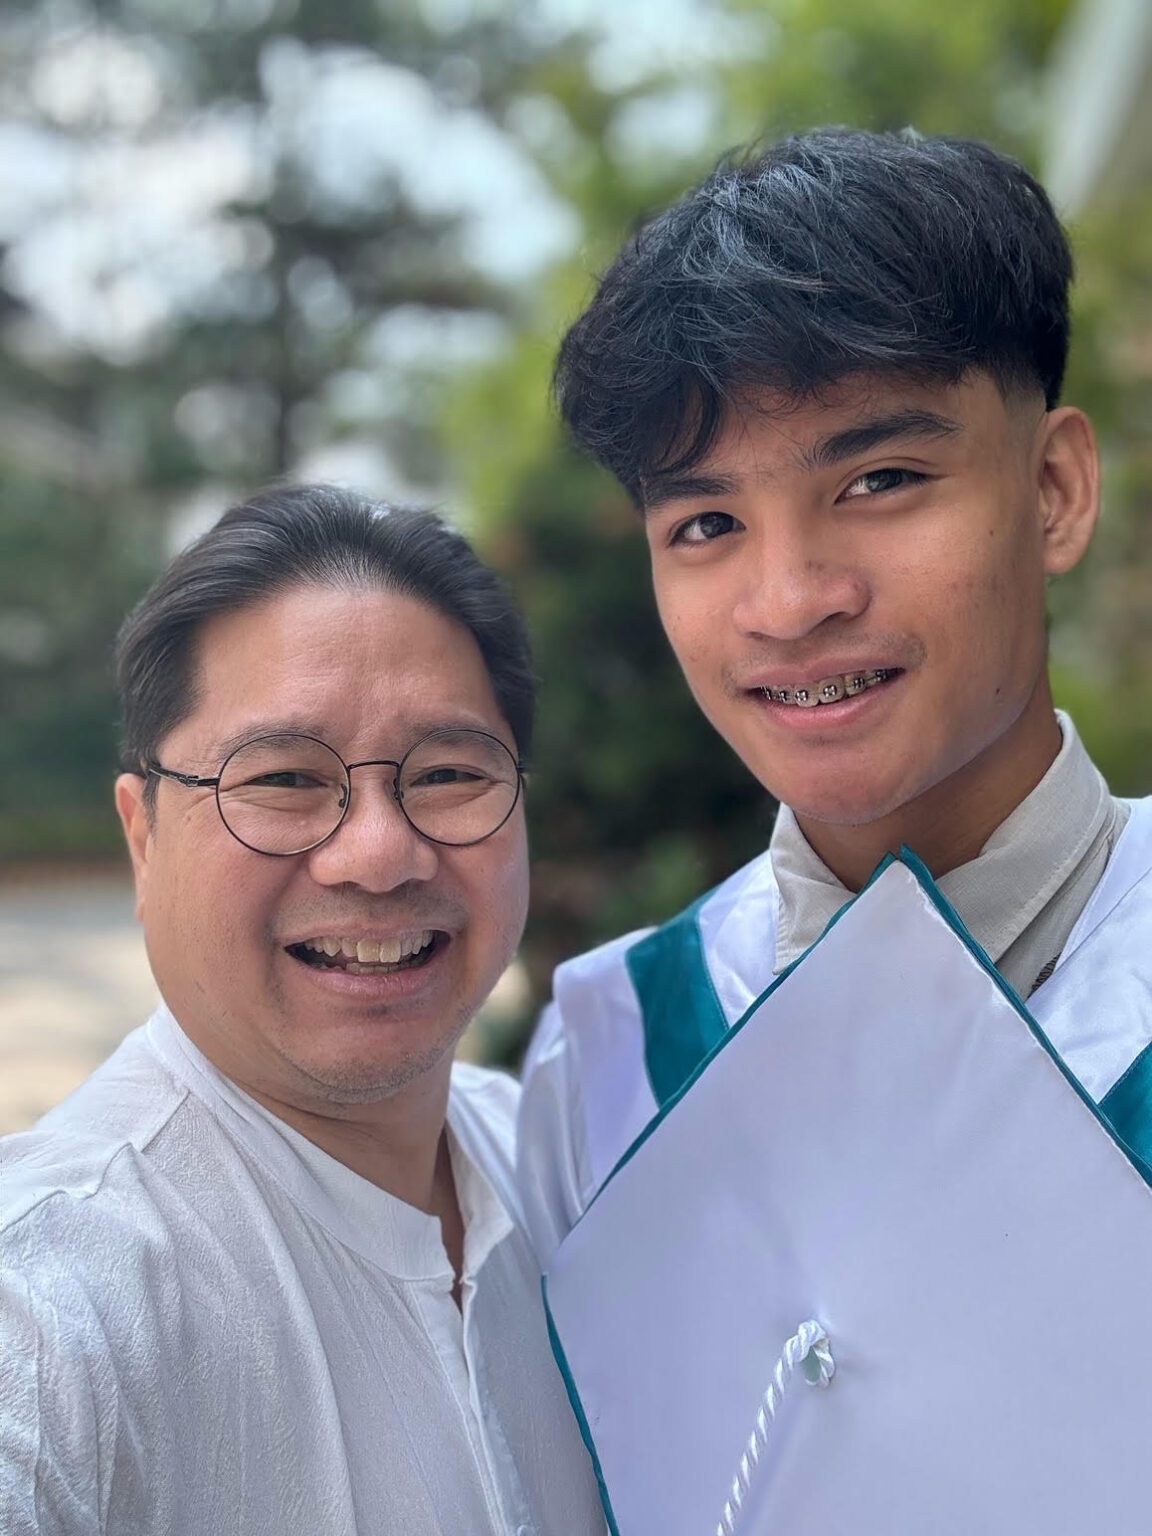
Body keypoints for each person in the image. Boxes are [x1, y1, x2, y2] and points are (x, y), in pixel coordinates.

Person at [516, 127, 1152, 1265]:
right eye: (706, 524)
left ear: (1054, 490)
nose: (793, 600)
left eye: (880, 480)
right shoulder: (613, 1061)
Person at [0, 485, 603, 1535]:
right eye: (281, 777)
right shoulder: (54, 1301)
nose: (378, 852)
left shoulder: (573, 1180)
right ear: (143, 838)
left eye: (451, 772)